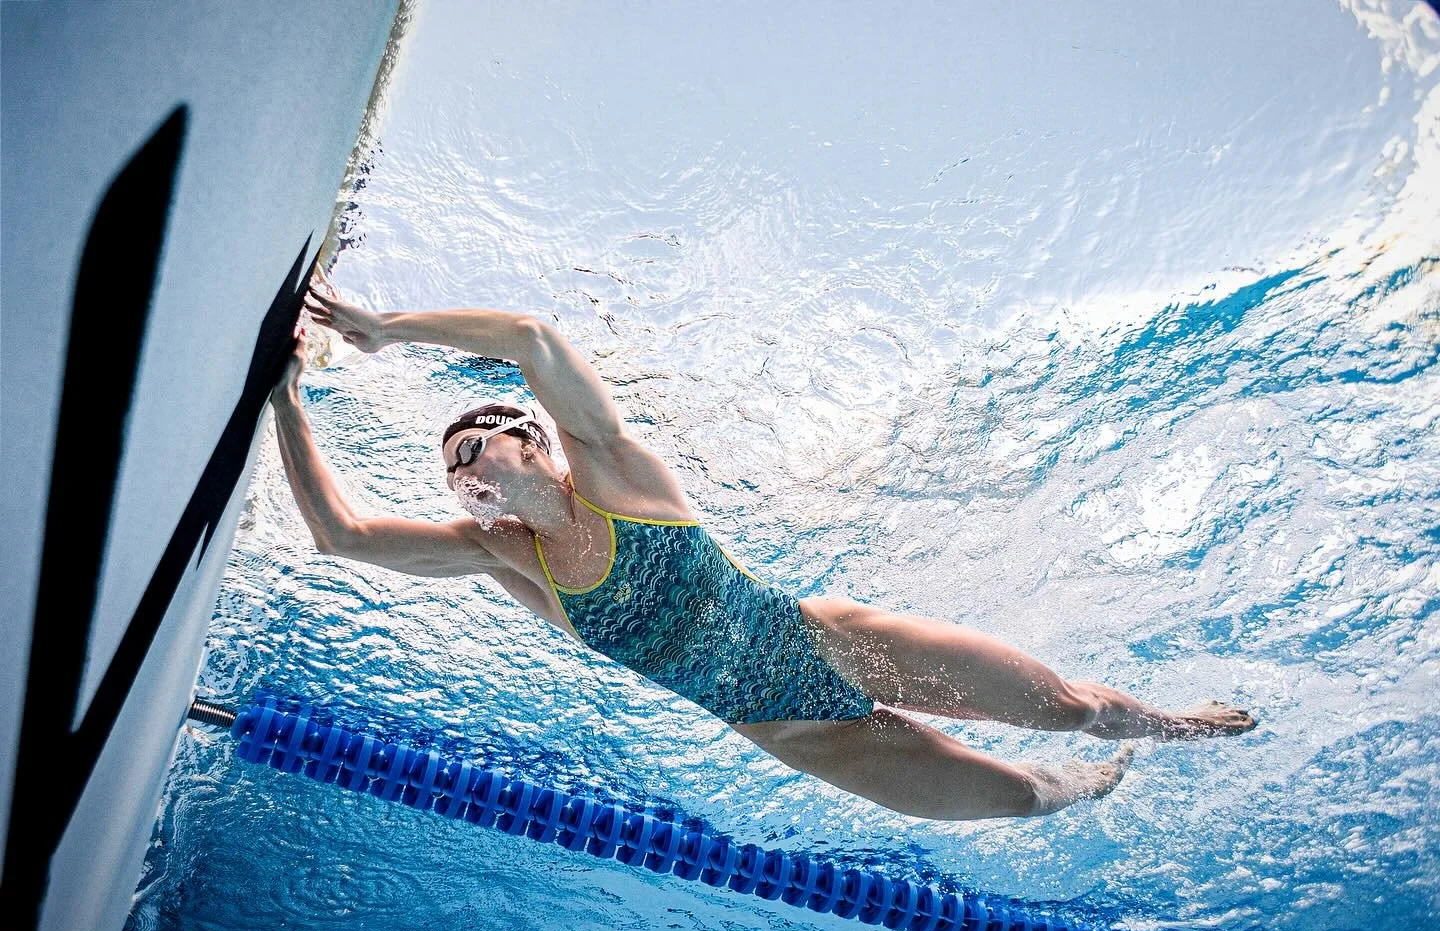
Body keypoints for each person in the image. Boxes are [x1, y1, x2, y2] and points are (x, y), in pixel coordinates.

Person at [271, 269, 1256, 822]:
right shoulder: (504, 556)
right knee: (1015, 798)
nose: (466, 477)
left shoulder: (613, 472)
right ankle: (1088, 784)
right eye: (454, 474)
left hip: (838, 646)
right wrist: (286, 400)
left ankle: (1168, 726)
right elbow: (341, 534)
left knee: (1071, 707)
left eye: (474, 449)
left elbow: (529, 336)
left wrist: (388, 331)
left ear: (531, 441)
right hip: (793, 733)